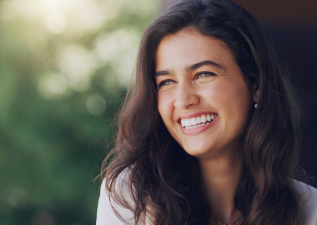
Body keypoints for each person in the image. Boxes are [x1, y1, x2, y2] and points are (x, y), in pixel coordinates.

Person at [96, 0, 317, 224]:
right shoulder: (130, 197)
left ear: (255, 85)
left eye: (203, 74)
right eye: (166, 82)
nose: (183, 100)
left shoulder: (309, 211)